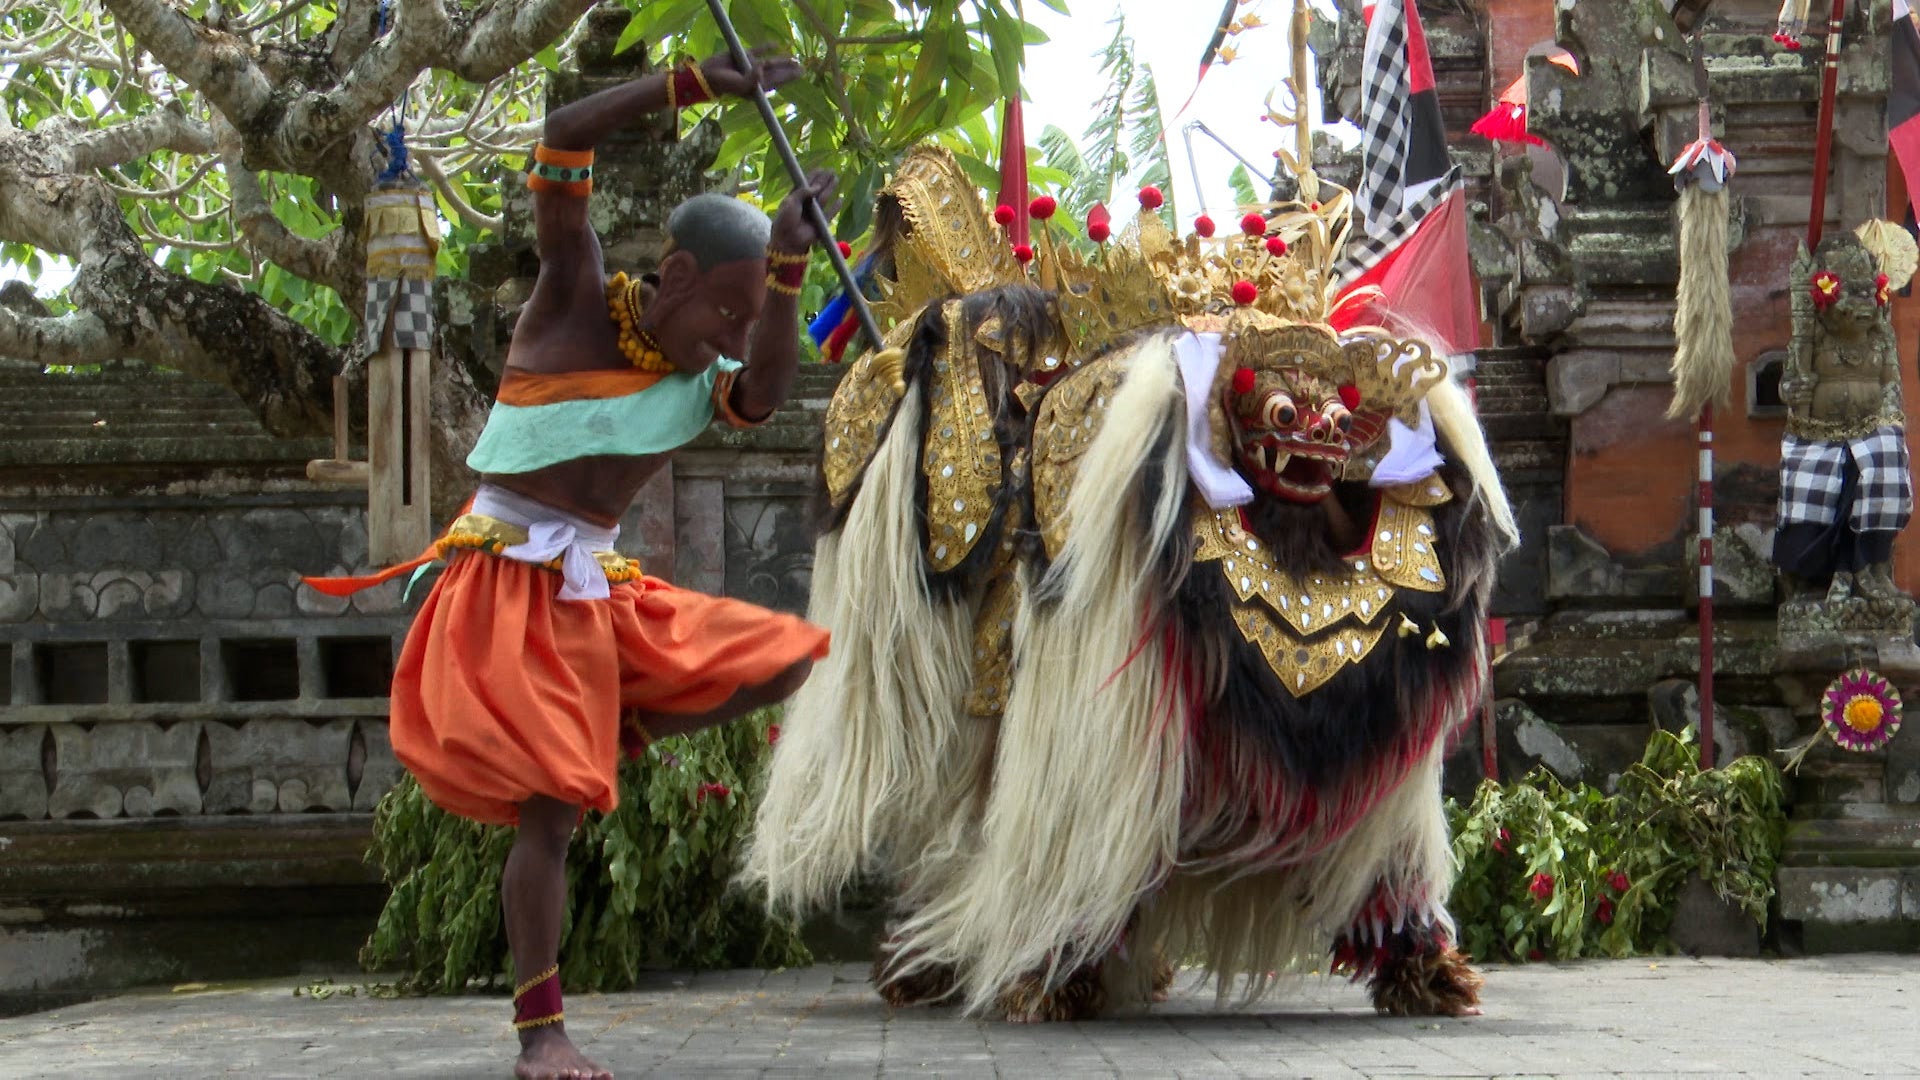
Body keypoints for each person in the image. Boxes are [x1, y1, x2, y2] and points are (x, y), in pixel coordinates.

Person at [307, 50, 835, 1080]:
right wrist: (693, 85)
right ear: (675, 279)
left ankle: (611, 728)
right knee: (551, 813)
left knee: (783, 657)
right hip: (504, 580)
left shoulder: (705, 380)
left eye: (745, 321)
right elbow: (563, 133)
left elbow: (769, 389)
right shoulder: (571, 297)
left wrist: (786, 268)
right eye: (723, 313)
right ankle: (541, 1034)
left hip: (594, 590)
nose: (733, 338)